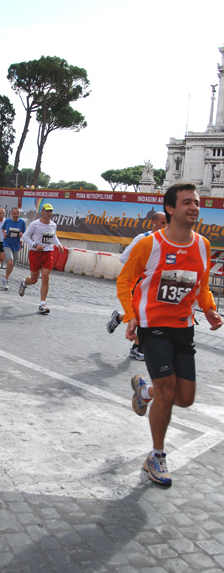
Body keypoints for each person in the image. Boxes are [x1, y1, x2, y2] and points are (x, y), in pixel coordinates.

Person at [117, 183, 223, 486]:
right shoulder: (149, 244)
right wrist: (132, 315)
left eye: (197, 202)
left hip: (184, 327)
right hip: (154, 327)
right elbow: (124, 281)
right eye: (187, 202)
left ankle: (143, 391)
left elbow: (201, 285)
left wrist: (210, 308)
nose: (194, 207)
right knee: (167, 390)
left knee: (185, 398)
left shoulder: (203, 244)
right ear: (170, 209)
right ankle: (157, 456)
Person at [106, 211, 167, 360]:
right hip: (139, 282)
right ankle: (137, 347)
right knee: (142, 315)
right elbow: (124, 258)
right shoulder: (143, 238)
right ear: (154, 223)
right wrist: (140, 269)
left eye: (168, 223)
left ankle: (119, 319)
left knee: (148, 315)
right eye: (163, 223)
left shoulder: (168, 241)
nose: (166, 226)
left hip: (156, 284)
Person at [19, 204, 63, 314]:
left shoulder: (53, 225)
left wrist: (58, 244)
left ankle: (42, 304)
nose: (50, 213)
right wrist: (35, 245)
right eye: (48, 211)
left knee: (46, 277)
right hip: (35, 253)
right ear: (42, 212)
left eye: (51, 211)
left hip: (48, 252)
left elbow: (53, 236)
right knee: (34, 280)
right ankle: (24, 283)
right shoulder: (35, 224)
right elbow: (25, 236)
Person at [2, 207, 26, 290]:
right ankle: (6, 279)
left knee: (12, 264)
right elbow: (3, 228)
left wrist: (22, 234)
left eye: (17, 213)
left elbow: (24, 232)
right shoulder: (7, 221)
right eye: (14, 213)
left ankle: (6, 278)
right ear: (11, 214)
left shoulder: (22, 222)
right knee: (10, 261)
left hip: (16, 245)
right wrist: (4, 233)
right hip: (7, 243)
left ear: (19, 214)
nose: (16, 215)